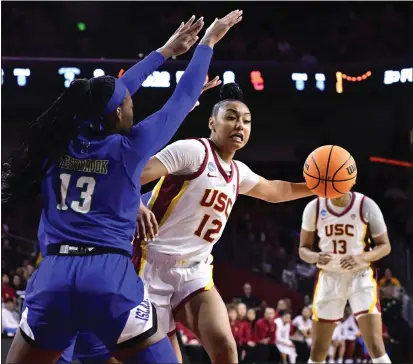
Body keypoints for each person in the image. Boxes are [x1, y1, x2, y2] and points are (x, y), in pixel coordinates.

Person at [3, 10, 242, 363]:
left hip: (53, 276)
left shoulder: (58, 138)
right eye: (129, 102)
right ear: (117, 114)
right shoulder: (129, 149)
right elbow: (180, 97)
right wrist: (206, 44)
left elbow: (110, 92)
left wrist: (163, 52)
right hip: (106, 279)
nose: (132, 102)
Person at [133, 81, 314, 363]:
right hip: (149, 265)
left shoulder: (238, 171)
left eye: (246, 120)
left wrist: (319, 187)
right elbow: (132, 174)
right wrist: (135, 205)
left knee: (225, 349)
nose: (239, 125)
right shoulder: (192, 151)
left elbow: (277, 191)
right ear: (212, 123)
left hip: (194, 270)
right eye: (231, 117)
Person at [299, 191, 392, 364]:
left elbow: (385, 246)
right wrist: (315, 257)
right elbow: (303, 249)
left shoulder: (366, 204)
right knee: (318, 350)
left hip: (361, 275)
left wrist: (361, 258)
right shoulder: (314, 207)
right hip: (329, 277)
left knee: (376, 347)